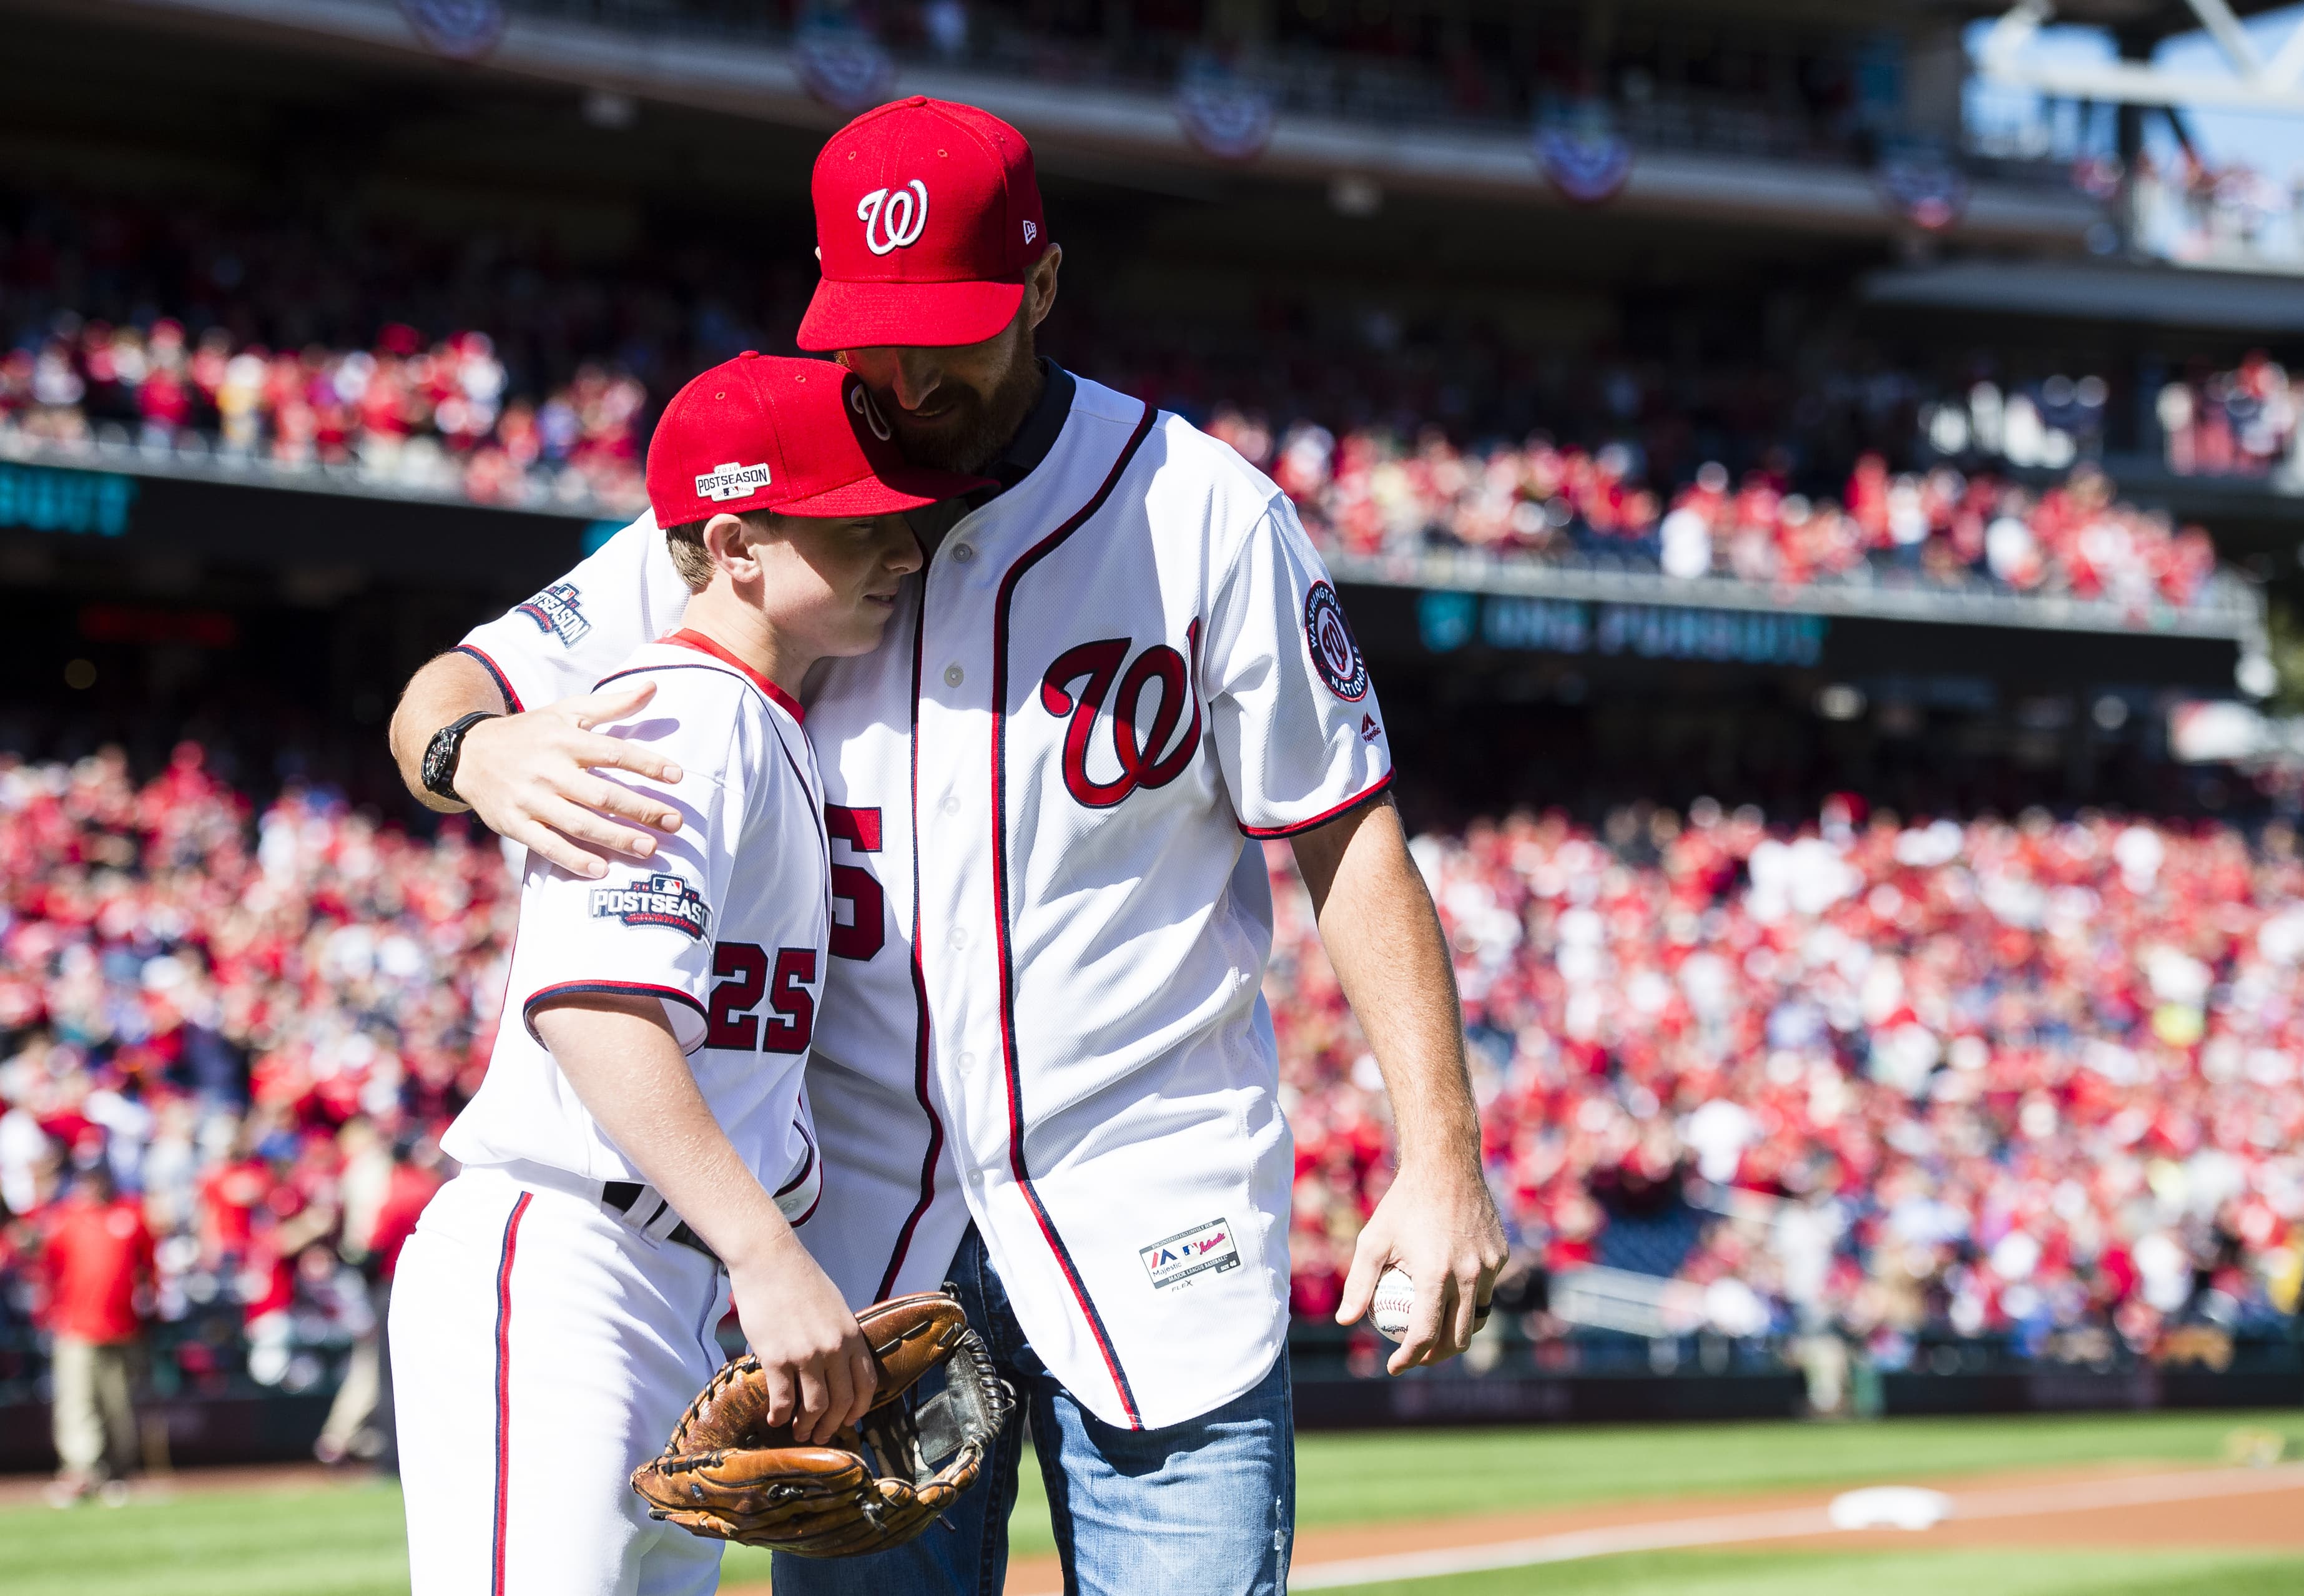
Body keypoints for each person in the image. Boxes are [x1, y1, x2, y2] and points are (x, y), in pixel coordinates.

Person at [388, 96, 1507, 1594]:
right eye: (873, 330)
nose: (908, 376)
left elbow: (1347, 836)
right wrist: (481, 746)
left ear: (1043, 288)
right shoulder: (787, 500)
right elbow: (447, 693)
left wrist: (1440, 1160)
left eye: (952, 330)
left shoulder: (1200, 515)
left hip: (1147, 1190)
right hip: (853, 1244)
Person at [385, 352, 983, 1595]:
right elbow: (597, 1012)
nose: (904, 552)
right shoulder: (682, 714)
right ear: (739, 544)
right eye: (861, 525)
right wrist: (768, 1255)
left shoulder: (760, 719)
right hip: (571, 1259)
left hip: (671, 1278)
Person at [39, 1162, 154, 1508]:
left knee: (117, 1402)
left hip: (122, 1326)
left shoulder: (130, 1216)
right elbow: (49, 1269)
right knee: (77, 1401)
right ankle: (82, 1470)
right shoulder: (66, 1220)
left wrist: (151, 1301)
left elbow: (149, 1267)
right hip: (75, 1325)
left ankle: (118, 1471)